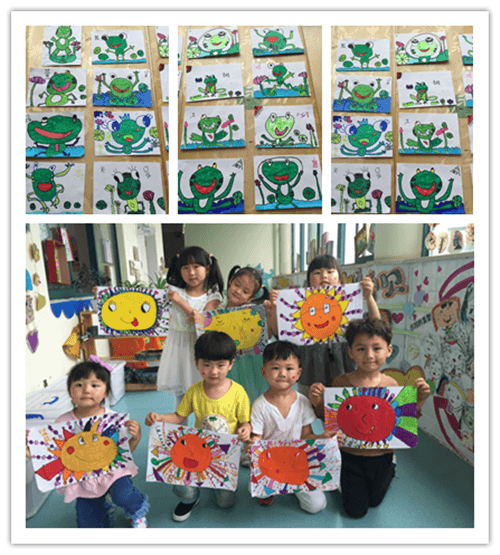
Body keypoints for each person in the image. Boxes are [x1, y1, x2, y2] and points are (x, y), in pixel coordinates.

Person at [308, 318, 431, 518]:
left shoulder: (392, 385)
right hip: (349, 456)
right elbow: (330, 418)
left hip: (382, 456)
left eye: (376, 348)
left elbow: (402, 422)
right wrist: (317, 402)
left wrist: (420, 400)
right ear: (350, 352)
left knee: (375, 501)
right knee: (356, 512)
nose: (369, 355)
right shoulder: (340, 382)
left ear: (388, 350)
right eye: (361, 349)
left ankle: (391, 467)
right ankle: (343, 479)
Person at [26, 357, 148, 528]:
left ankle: (137, 511)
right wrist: (30, 449)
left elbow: (124, 453)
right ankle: (104, 505)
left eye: (94, 385)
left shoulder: (112, 418)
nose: (86, 390)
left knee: (124, 496)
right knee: (88, 525)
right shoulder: (62, 423)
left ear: (106, 392)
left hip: (113, 472)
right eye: (79, 385)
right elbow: (53, 456)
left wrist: (135, 438)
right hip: (84, 478)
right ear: (70, 392)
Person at [145, 331, 251, 522]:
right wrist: (159, 417)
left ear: (231, 364)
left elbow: (245, 422)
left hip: (226, 454)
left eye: (220, 365)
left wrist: (246, 430)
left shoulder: (238, 392)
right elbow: (179, 417)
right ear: (197, 364)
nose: (214, 371)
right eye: (207, 365)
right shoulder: (194, 391)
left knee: (225, 503)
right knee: (180, 477)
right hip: (197, 451)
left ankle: (217, 485)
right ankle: (190, 498)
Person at [265, 254, 380, 398]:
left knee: (344, 408)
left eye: (330, 271)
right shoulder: (299, 304)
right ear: (309, 281)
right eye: (317, 272)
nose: (324, 276)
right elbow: (279, 333)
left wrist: (369, 297)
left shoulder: (350, 304)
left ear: (339, 279)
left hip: (346, 373)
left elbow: (377, 327)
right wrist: (275, 309)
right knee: (309, 408)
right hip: (309, 375)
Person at [246, 340, 341, 513]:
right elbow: (257, 440)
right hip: (271, 462)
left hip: (298, 463)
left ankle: (291, 486)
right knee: (257, 491)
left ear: (298, 374)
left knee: (316, 506)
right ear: (264, 372)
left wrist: (322, 437)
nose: (282, 373)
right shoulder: (259, 406)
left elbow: (306, 437)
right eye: (275, 368)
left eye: (289, 368)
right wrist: (252, 445)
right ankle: (272, 490)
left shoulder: (303, 402)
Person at [156, 246, 224, 407]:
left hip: (200, 346)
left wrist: (179, 301)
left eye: (196, 266)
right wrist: (102, 293)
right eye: (185, 268)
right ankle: (180, 422)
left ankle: (204, 422)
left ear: (207, 268)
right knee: (181, 394)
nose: (191, 272)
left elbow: (202, 320)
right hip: (177, 346)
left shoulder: (213, 295)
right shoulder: (173, 291)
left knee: (204, 391)